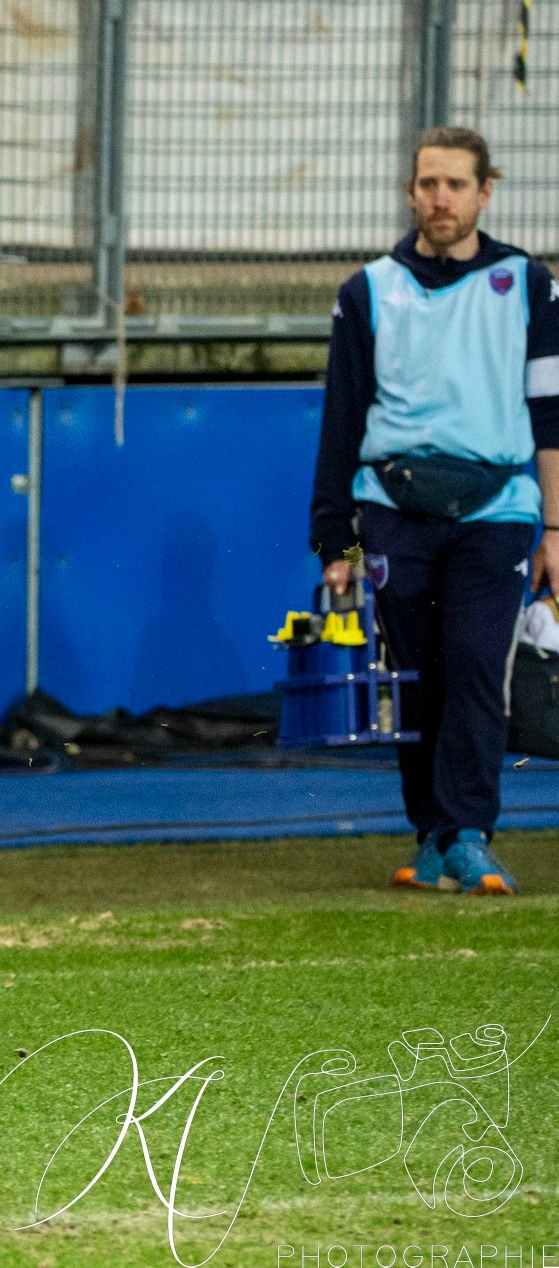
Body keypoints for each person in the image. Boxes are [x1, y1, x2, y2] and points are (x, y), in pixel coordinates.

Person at [309, 126, 559, 897]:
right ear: (411, 191)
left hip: (498, 510)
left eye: (455, 184)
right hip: (393, 509)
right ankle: (431, 833)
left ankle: (471, 835)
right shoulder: (367, 291)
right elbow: (342, 417)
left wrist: (556, 526)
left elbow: (550, 411)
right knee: (420, 678)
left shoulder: (529, 283)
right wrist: (332, 540)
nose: (440, 198)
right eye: (427, 184)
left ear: (486, 191)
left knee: (480, 666)